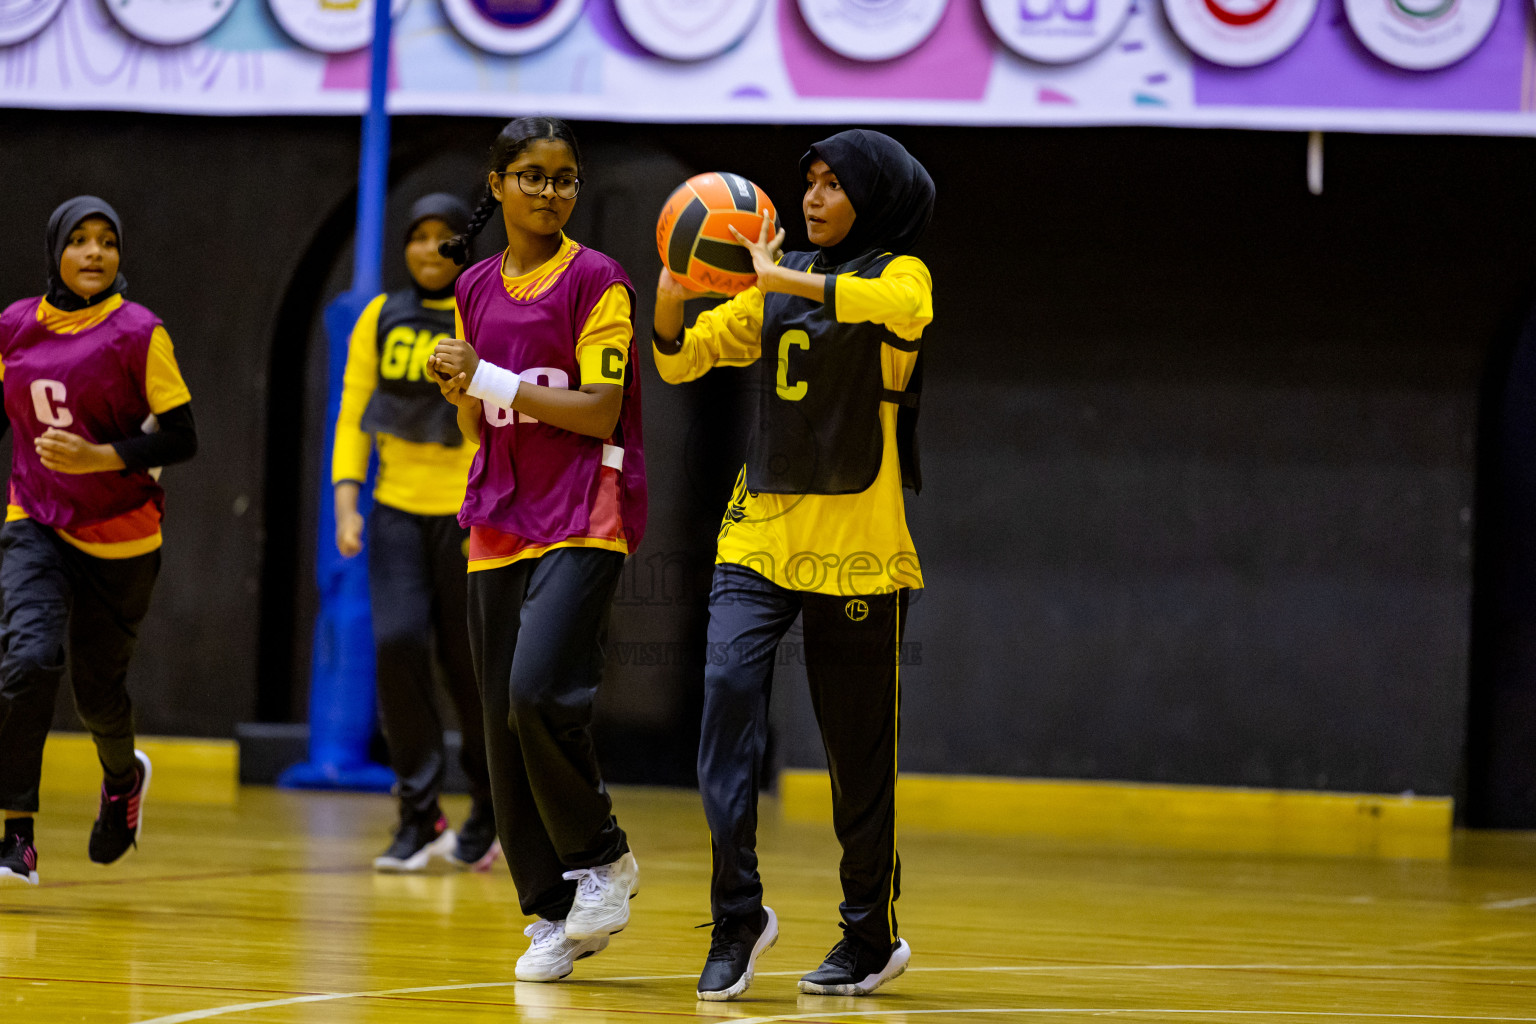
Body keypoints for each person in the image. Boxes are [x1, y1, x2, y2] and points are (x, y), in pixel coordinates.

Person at [651, 130, 934, 1000]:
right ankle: (738, 917)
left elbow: (894, 311)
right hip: (758, 537)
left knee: (858, 760)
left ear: (874, 198)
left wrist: (785, 280)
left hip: (856, 552)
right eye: (807, 181)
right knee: (726, 707)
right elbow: (679, 357)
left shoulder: (903, 274)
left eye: (833, 184)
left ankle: (866, 937)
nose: (812, 197)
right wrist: (671, 284)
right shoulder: (771, 287)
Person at [426, 116, 647, 983]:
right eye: (530, 176)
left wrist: (483, 376)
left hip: (585, 508)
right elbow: (478, 419)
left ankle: (607, 858)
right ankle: (550, 913)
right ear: (498, 184)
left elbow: (598, 408)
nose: (548, 191)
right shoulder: (474, 285)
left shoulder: (599, 280)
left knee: (534, 694)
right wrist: (461, 388)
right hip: (498, 514)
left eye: (562, 178)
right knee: (495, 729)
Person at [0, 196, 198, 886]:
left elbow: (182, 437)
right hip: (38, 520)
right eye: (79, 241)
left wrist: (99, 457)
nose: (93, 253)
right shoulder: (16, 327)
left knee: (97, 694)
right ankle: (16, 831)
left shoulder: (139, 332)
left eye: (106, 242)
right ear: (55, 250)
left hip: (121, 538)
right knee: (26, 661)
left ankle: (121, 782)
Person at [332, 193, 499, 873]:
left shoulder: (485, 312)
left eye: (444, 238)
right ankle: (419, 814)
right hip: (396, 510)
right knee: (398, 649)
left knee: (469, 672)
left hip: (470, 517)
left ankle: (488, 811)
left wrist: (490, 510)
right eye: (418, 237)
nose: (430, 249)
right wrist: (348, 505)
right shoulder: (379, 315)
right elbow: (351, 415)